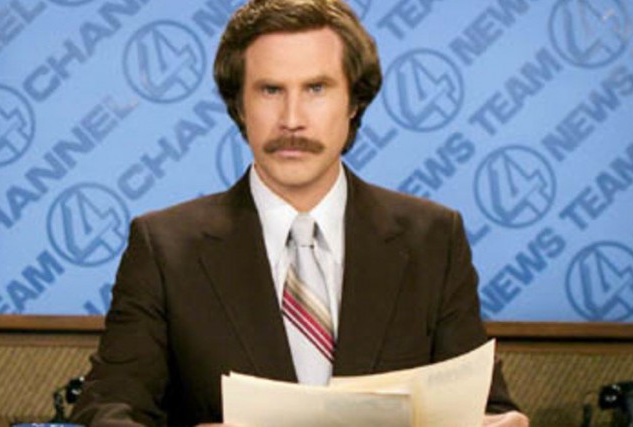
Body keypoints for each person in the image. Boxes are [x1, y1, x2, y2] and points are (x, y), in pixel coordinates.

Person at [71, 0, 529, 426]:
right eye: (270, 90)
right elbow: (107, 409)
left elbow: (483, 407)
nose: (292, 119)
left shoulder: (433, 240)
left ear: (354, 102)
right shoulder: (165, 249)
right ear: (240, 105)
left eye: (316, 88)